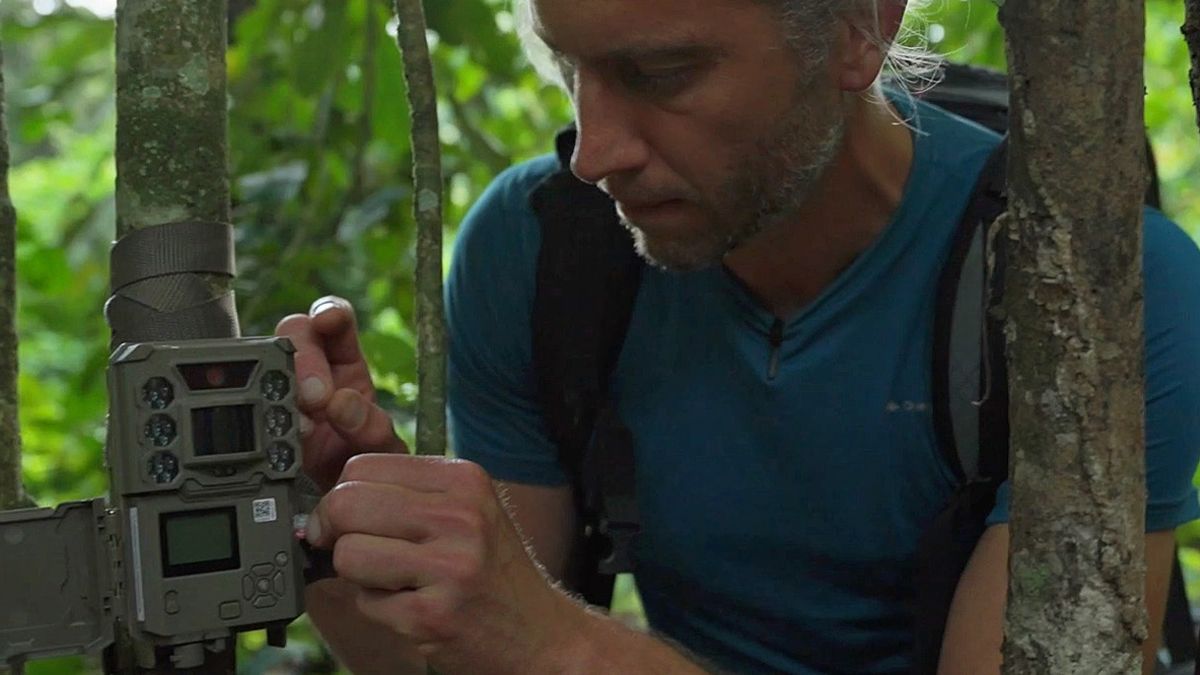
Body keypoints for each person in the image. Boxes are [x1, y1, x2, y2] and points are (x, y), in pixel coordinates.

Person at [275, 0, 1200, 673]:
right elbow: (456, 662)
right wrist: (338, 517)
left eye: (659, 74)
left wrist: (557, 644)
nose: (594, 152)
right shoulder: (542, 249)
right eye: (570, 69)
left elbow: (536, 645)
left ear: (859, 29)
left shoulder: (1094, 294)